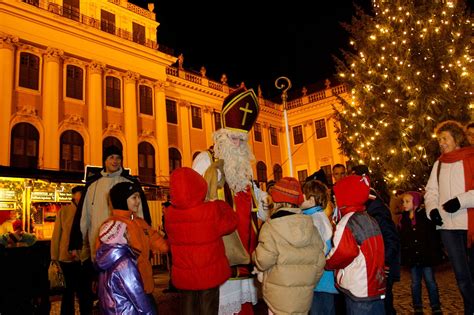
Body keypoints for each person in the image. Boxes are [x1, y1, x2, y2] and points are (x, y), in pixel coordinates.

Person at [192, 88, 266, 315]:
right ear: (222, 136)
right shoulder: (206, 159)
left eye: (242, 139)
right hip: (220, 245)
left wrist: (264, 202)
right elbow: (194, 201)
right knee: (221, 304)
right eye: (233, 138)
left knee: (244, 303)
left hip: (246, 245)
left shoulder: (245, 166)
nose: (237, 144)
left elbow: (254, 203)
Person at [69, 145, 152, 311]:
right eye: (111, 157)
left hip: (127, 249)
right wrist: (76, 242)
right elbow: (83, 216)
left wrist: (146, 239)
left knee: (127, 290)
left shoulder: (129, 183)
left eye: (118, 157)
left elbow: (142, 214)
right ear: (104, 161)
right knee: (101, 291)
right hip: (99, 249)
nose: (115, 161)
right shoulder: (93, 186)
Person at [165, 167, 239, 315]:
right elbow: (232, 223)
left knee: (187, 306)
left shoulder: (170, 214)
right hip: (209, 273)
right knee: (208, 306)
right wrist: (221, 205)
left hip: (184, 274)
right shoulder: (211, 210)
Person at [253, 177, 325, 315]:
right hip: (303, 299)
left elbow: (263, 261)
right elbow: (320, 262)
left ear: (275, 200)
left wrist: (254, 255)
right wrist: (308, 285)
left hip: (277, 298)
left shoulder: (270, 227)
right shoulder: (311, 226)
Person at [424, 120, 474, 314]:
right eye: (439, 140)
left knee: (472, 273)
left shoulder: (470, 158)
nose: (441, 143)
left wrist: (460, 201)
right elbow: (431, 192)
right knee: (461, 275)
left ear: (456, 138)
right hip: (448, 228)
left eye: (445, 138)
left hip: (469, 225)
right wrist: (432, 210)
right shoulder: (439, 164)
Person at [326, 175, 386, 314]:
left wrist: (328, 262)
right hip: (375, 283)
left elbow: (344, 252)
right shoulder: (369, 218)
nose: (335, 199)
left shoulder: (347, 222)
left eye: (337, 196)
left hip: (359, 286)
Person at [104, 181, 168, 311]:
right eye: (134, 197)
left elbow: (158, 241)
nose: (138, 201)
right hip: (125, 288)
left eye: (139, 197)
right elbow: (105, 258)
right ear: (122, 199)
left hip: (144, 282)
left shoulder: (139, 222)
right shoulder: (113, 225)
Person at [351, 164, 401, 315]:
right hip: (375, 267)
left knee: (384, 305)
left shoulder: (374, 206)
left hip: (381, 268)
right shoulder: (367, 204)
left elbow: (390, 238)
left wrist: (382, 263)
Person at [95, 220, 154, 315]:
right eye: (126, 232)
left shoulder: (105, 260)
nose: (130, 235)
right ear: (120, 237)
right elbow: (138, 296)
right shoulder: (124, 264)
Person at [398, 191, 442, 314]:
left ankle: (436, 306)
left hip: (425, 256)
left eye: (407, 201)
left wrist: (433, 253)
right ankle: (417, 306)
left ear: (415, 203)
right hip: (413, 258)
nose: (404, 204)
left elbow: (431, 238)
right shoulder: (403, 219)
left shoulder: (424, 218)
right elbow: (403, 238)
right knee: (415, 283)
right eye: (403, 202)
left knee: (430, 282)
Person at [301, 179, 338, 315]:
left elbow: (315, 249)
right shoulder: (317, 216)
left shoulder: (315, 219)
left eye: (302, 195)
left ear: (311, 200)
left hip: (320, 281)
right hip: (322, 281)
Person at [51, 185, 90, 315]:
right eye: (78, 196)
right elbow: (56, 235)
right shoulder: (64, 211)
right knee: (68, 292)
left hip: (83, 258)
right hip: (66, 258)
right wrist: (54, 257)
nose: (80, 198)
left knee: (84, 291)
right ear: (73, 196)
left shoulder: (88, 211)